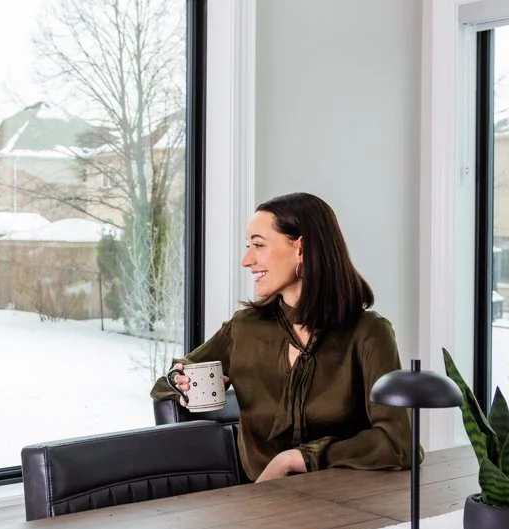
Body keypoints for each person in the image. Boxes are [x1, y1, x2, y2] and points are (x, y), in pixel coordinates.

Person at [150, 192, 413, 483]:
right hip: (261, 501)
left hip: (347, 497)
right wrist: (182, 381)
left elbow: (398, 443)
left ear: (301, 249)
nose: (247, 260)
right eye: (248, 246)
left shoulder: (369, 333)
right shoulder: (243, 329)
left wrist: (295, 459)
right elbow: (165, 386)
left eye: (258, 245)